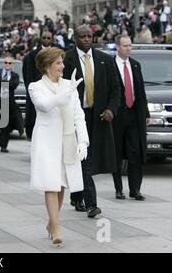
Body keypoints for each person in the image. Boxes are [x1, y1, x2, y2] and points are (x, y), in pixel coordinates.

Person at [28, 47, 89, 246]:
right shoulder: (35, 86)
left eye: (62, 62)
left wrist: (83, 141)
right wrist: (66, 93)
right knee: (50, 184)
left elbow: (79, 115)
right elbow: (44, 105)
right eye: (58, 63)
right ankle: (56, 228)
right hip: (46, 142)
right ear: (47, 66)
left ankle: (51, 223)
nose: (63, 66)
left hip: (67, 140)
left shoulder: (69, 86)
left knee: (62, 185)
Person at [63, 25, 120, 218]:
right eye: (83, 36)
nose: (87, 39)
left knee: (89, 157)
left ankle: (77, 196)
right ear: (75, 38)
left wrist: (111, 109)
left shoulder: (104, 59)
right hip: (75, 115)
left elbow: (115, 88)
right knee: (83, 157)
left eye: (90, 36)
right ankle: (91, 204)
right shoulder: (66, 59)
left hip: (98, 116)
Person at [111, 35, 150, 201]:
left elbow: (140, 91)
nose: (128, 48)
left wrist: (146, 113)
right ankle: (119, 189)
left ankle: (135, 189)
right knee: (117, 153)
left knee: (135, 151)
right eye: (125, 45)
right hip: (117, 115)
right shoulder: (110, 65)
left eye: (130, 45)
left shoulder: (135, 65)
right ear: (117, 47)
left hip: (134, 114)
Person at [23, 31, 58, 140]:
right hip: (39, 88)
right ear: (40, 38)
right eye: (44, 38)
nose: (46, 40)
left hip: (55, 88)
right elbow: (27, 74)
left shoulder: (58, 52)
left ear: (52, 39)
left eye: (49, 38)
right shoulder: (32, 55)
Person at [0, 55, 21, 152]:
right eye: (6, 62)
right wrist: (3, 82)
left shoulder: (14, 75)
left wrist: (0, 82)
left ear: (12, 65)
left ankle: (3, 146)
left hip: (7, 104)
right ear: (3, 63)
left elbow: (13, 85)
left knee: (6, 126)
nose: (7, 64)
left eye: (9, 63)